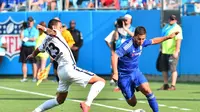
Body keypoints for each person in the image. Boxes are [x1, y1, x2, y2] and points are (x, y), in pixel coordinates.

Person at [27, 19, 105, 112]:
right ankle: (87, 104)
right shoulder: (55, 32)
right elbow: (51, 32)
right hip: (69, 68)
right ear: (54, 27)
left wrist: (32, 55)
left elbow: (38, 49)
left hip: (61, 72)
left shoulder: (44, 42)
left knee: (59, 100)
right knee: (100, 81)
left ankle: (36, 111)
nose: (62, 29)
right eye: (60, 27)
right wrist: (43, 28)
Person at [112, 26, 179, 112]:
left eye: (143, 39)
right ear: (134, 36)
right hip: (124, 76)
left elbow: (154, 40)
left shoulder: (142, 42)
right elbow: (114, 55)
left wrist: (168, 37)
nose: (141, 41)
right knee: (133, 103)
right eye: (139, 39)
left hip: (136, 73)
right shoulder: (127, 46)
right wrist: (115, 73)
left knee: (147, 90)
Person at [108, 14, 135, 92]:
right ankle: (120, 85)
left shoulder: (133, 28)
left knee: (128, 67)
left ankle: (130, 84)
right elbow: (116, 38)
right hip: (120, 49)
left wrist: (125, 29)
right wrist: (117, 28)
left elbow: (134, 36)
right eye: (124, 19)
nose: (125, 20)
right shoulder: (119, 29)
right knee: (119, 68)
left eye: (127, 19)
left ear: (130, 20)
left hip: (128, 50)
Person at [157, 15, 183, 90]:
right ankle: (165, 84)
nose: (172, 20)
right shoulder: (165, 27)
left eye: (173, 19)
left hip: (172, 51)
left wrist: (176, 51)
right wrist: (161, 47)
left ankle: (173, 85)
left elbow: (178, 40)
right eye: (171, 19)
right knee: (164, 68)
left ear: (176, 20)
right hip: (164, 51)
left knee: (173, 68)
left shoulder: (177, 28)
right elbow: (162, 38)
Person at [19, 16, 39, 82]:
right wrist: (27, 38)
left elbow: (34, 39)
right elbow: (21, 38)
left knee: (34, 62)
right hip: (24, 47)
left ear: (33, 22)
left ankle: (34, 77)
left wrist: (27, 38)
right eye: (29, 21)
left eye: (31, 21)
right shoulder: (24, 30)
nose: (29, 22)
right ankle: (24, 77)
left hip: (31, 48)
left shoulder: (35, 30)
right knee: (24, 62)